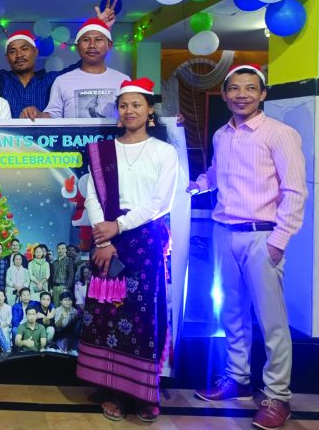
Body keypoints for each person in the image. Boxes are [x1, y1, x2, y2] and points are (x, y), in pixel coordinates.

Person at [190, 64, 307, 430]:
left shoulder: (280, 134)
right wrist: (199, 184)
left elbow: (294, 191)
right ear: (224, 95)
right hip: (224, 232)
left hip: (262, 236)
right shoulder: (222, 135)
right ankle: (237, 378)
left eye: (250, 88)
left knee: (272, 322)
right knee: (232, 314)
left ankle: (277, 395)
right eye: (235, 88)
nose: (242, 94)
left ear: (263, 94)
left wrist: (279, 240)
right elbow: (217, 174)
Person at [76, 77, 178, 423]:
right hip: (107, 240)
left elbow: (160, 202)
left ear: (150, 110)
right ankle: (114, 390)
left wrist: (118, 227)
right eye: (123, 105)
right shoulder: (102, 150)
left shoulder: (164, 152)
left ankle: (144, 392)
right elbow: (92, 196)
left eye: (136, 104)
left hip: (145, 240)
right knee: (108, 315)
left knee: (143, 315)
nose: (129, 110)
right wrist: (104, 240)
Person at [0, 4, 117, 118]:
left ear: (35, 52)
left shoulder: (52, 80)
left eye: (24, 49)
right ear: (7, 58)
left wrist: (101, 27)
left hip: (42, 150)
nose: (19, 55)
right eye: (13, 51)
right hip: (8, 150)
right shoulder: (0, 79)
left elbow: (87, 61)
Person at [28, 18, 130, 121]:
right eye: (86, 40)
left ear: (109, 45)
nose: (92, 45)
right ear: (77, 46)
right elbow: (52, 117)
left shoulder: (123, 80)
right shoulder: (62, 81)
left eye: (98, 40)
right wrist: (37, 114)